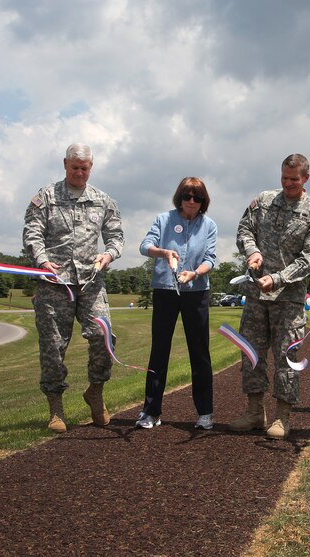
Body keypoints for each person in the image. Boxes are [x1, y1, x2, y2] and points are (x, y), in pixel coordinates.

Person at [23, 143, 124, 433]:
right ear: (65, 164)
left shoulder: (103, 200)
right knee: (53, 347)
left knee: (104, 337)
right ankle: (56, 408)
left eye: (85, 167)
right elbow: (32, 234)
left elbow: (116, 237)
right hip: (53, 284)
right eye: (75, 167)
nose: (80, 172)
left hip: (91, 282)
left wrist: (108, 255)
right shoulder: (45, 197)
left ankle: (95, 391)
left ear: (91, 167)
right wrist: (42, 261)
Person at [231, 154, 310, 439]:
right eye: (284, 178)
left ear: (306, 178)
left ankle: (282, 417)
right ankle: (254, 412)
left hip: (288, 298)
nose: (288, 183)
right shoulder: (263, 201)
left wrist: (277, 279)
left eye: (294, 179)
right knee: (251, 353)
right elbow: (244, 229)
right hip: (255, 295)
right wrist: (253, 251)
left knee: (287, 355)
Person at [136, 177, 217, 430]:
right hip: (165, 289)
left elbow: (211, 259)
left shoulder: (210, 225)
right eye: (187, 196)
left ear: (204, 201)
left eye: (197, 198)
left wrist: (194, 273)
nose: (191, 202)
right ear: (179, 197)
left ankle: (205, 413)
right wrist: (163, 253)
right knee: (159, 351)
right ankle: (151, 412)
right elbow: (144, 246)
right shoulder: (164, 219)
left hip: (196, 291)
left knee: (200, 352)